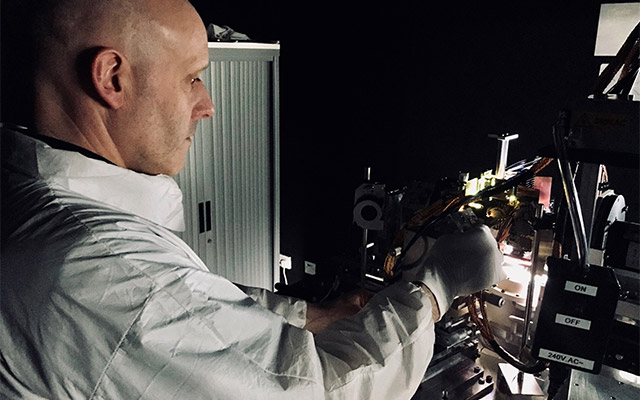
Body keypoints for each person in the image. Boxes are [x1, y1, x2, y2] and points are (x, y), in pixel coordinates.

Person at [0, 0, 505, 398]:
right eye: (192, 77)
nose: (208, 105)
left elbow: (192, 305)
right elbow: (321, 393)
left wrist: (308, 317)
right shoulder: (104, 271)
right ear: (112, 78)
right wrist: (435, 287)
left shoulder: (34, 197)